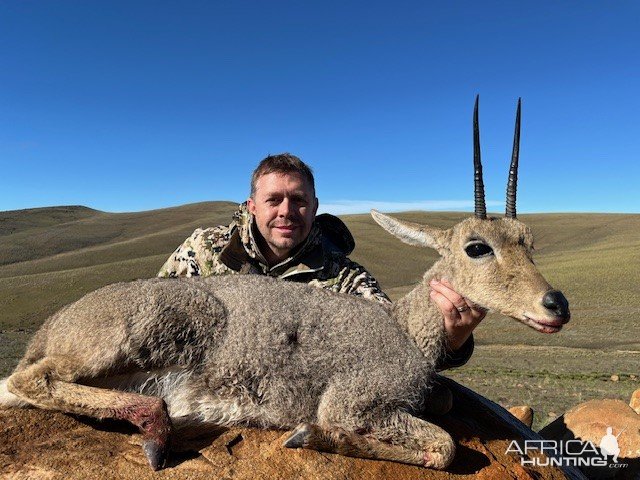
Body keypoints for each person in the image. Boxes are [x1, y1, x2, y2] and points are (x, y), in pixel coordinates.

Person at [158, 153, 485, 369]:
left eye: (298, 200)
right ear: (252, 205)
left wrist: (452, 340)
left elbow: (396, 352)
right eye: (273, 199)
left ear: (314, 207)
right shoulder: (203, 251)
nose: (286, 211)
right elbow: (153, 316)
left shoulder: (347, 280)